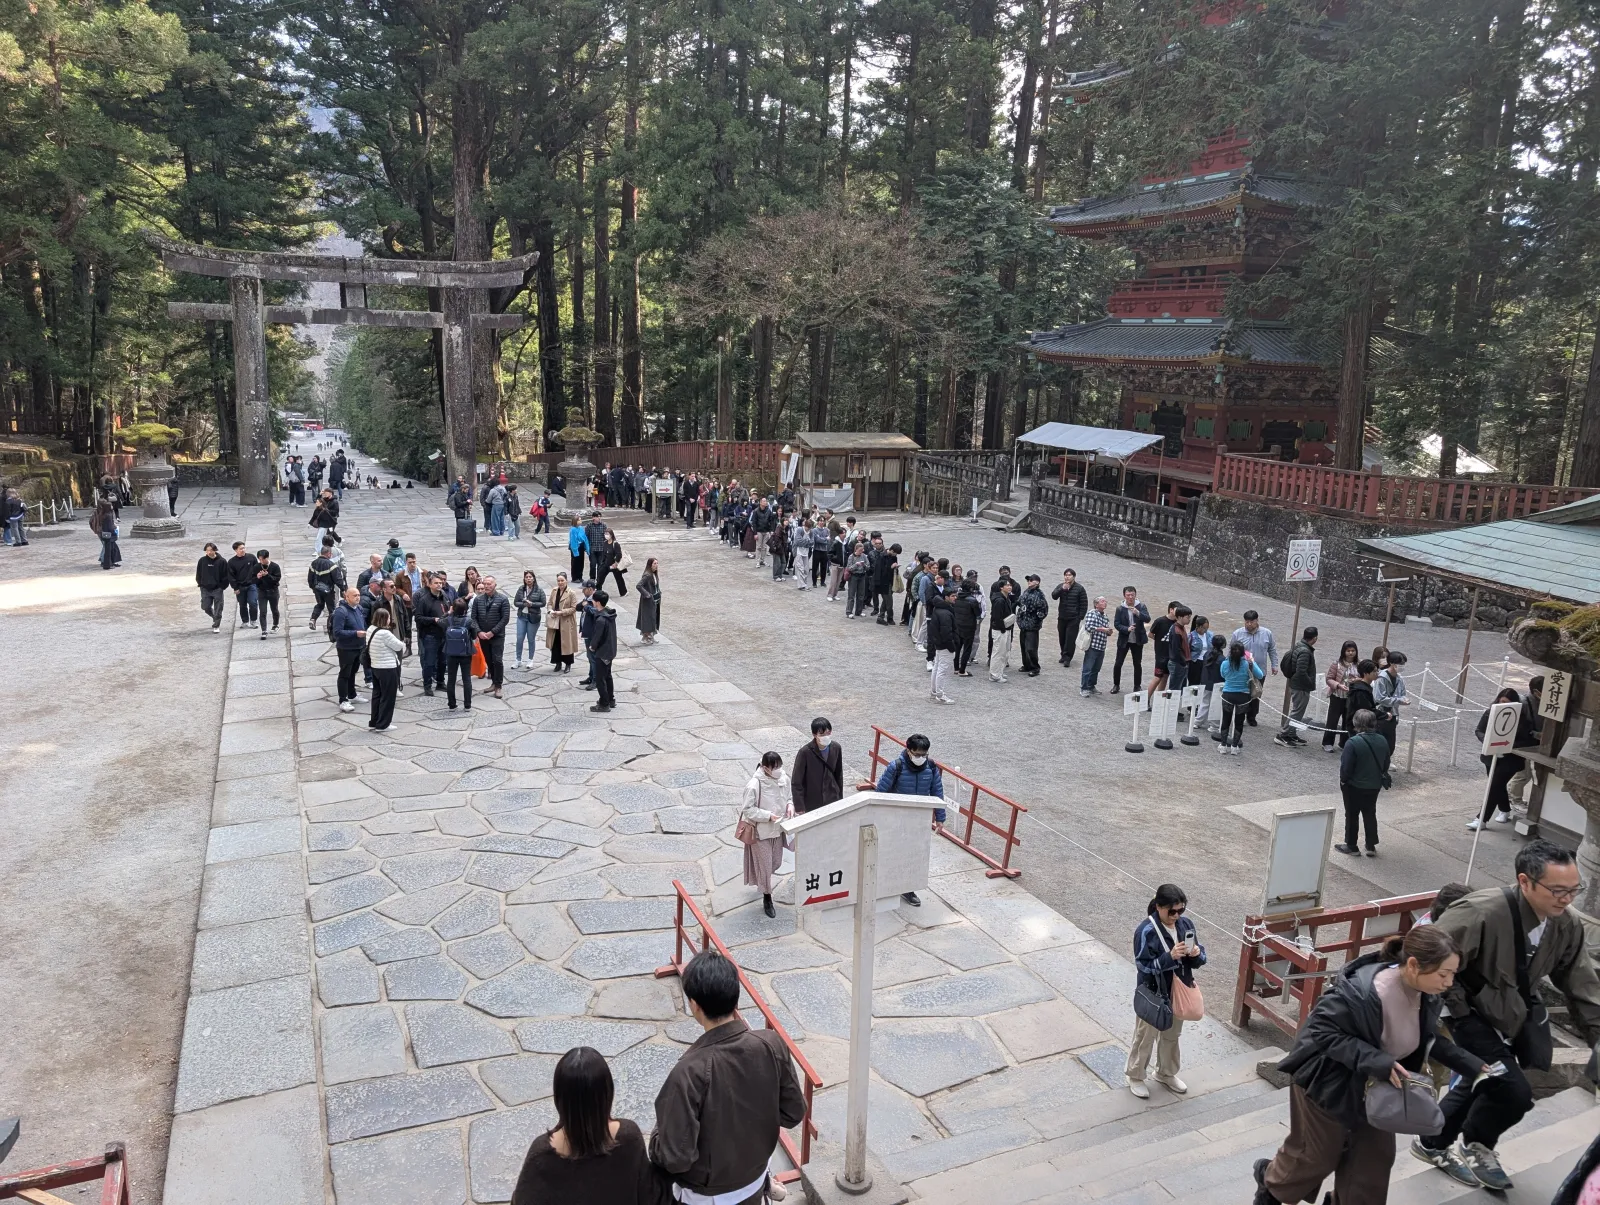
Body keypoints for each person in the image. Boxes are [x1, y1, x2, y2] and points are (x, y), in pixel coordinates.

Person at [1412, 841, 1600, 1190]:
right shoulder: (1480, 911)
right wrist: (1454, 1009)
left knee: (1480, 1079)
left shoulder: (1566, 925)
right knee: (1514, 1092)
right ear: (1525, 881)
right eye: (1558, 890)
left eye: (1574, 890)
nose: (1567, 899)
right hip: (1466, 1012)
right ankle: (1477, 1143)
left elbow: (1581, 986)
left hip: (1511, 1012)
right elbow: (1425, 959)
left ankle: (1431, 1143)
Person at [1253, 926, 1486, 1205]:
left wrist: (1473, 1065)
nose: (1449, 982)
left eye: (1453, 974)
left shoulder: (1426, 992)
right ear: (1414, 965)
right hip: (1330, 1083)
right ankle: (1270, 1185)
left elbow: (1424, 1037)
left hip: (1379, 1088)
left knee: (1373, 1165)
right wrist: (1378, 1061)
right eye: (1444, 974)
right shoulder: (1364, 992)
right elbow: (1322, 1030)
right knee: (1317, 1156)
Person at [650, 950, 805, 1205]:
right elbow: (793, 1113)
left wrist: (659, 1134)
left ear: (694, 1005)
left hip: (705, 1196)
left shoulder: (688, 1073)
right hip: (754, 1182)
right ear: (735, 997)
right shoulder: (771, 1044)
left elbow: (675, 1157)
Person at [510, 1046, 664, 1205]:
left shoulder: (541, 1154)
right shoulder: (629, 1137)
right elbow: (649, 1195)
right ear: (607, 1094)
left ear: (560, 1099)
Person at [1126, 884, 1205, 1100]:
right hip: (1153, 993)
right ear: (1159, 907)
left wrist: (1196, 953)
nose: (1176, 916)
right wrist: (1169, 957)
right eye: (1172, 911)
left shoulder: (1185, 924)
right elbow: (1143, 966)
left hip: (1178, 991)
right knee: (1145, 1036)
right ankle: (1135, 1075)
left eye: (1181, 910)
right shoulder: (1146, 931)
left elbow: (1200, 959)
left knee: (1172, 1035)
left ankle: (1165, 1073)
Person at [876, 734, 945, 906]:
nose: (920, 758)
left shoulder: (931, 767)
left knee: (913, 856)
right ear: (908, 750)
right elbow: (880, 793)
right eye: (917, 754)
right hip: (896, 820)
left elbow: (937, 791)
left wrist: (940, 817)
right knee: (891, 852)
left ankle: (908, 889)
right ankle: (884, 885)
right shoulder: (896, 767)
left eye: (924, 754)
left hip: (918, 821)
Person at [1470, 687, 1530, 830]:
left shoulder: (1522, 719)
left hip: (1510, 759)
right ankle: (1505, 809)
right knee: (1497, 785)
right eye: (1502, 701)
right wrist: (1488, 741)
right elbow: (1479, 730)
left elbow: (1526, 741)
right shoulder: (1490, 712)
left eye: (1507, 702)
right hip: (1491, 755)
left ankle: (1482, 819)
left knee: (1494, 786)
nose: (1504, 705)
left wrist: (1508, 745)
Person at [742, 752, 793, 919]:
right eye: (775, 767)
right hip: (761, 832)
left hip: (777, 829)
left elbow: (789, 797)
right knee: (765, 866)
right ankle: (767, 897)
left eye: (779, 766)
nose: (778, 769)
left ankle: (762, 881)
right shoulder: (754, 785)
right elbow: (748, 810)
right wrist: (768, 816)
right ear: (765, 768)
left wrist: (790, 805)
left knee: (776, 862)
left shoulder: (784, 779)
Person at [1334, 710, 1391, 857]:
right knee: (1370, 812)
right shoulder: (1382, 740)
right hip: (1374, 784)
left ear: (1356, 723)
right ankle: (1370, 845)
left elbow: (1346, 768)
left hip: (1354, 785)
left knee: (1352, 814)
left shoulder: (1353, 743)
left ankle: (1351, 845)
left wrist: (1343, 781)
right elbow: (1386, 763)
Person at [1217, 640, 1266, 754]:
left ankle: (1223, 745)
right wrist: (1252, 661)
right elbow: (1260, 675)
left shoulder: (1225, 663)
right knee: (1239, 722)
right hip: (1243, 696)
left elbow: (1223, 675)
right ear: (1244, 652)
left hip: (1228, 694)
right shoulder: (1248, 664)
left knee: (1226, 720)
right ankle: (1234, 747)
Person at [1232, 610, 1279, 725]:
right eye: (1246, 622)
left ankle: (1252, 716)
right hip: (1243, 670)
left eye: (1251, 622)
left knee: (1256, 693)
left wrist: (1274, 665)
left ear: (1257, 621)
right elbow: (1231, 651)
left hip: (1259, 670)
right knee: (1242, 693)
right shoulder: (1237, 634)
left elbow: (1272, 650)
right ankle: (1240, 716)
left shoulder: (1267, 633)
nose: (1249, 624)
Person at [1275, 626, 1319, 748]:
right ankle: (1283, 734)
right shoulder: (1305, 651)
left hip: (1298, 684)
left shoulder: (1299, 646)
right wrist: (1309, 682)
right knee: (1297, 711)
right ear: (1315, 638)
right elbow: (1301, 671)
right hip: (1300, 686)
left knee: (1298, 711)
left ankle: (1291, 733)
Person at [791, 718, 843, 815]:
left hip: (832, 798)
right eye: (822, 734)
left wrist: (840, 799)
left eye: (828, 733)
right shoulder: (805, 752)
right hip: (813, 801)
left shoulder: (836, 747)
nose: (826, 736)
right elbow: (796, 781)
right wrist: (799, 807)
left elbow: (838, 775)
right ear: (814, 735)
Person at [365, 608, 405, 731]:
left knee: (377, 695)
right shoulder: (385, 633)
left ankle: (375, 721)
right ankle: (383, 724)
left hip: (376, 666)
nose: (389, 620)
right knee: (388, 697)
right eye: (388, 618)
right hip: (387, 668)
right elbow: (398, 646)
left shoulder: (370, 629)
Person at [471, 575, 510, 699]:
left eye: (489, 584)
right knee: (489, 659)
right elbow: (473, 618)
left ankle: (498, 685)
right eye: (485, 584)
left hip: (497, 636)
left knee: (497, 660)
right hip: (483, 636)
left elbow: (505, 619)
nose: (487, 586)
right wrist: (479, 632)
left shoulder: (503, 599)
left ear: (495, 585)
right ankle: (493, 681)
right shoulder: (478, 599)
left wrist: (493, 632)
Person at [331, 587, 368, 712]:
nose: (358, 597)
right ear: (347, 597)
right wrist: (355, 633)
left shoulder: (359, 608)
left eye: (358, 595)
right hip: (346, 648)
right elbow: (337, 632)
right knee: (345, 674)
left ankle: (352, 694)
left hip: (359, 647)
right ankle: (343, 700)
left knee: (353, 672)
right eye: (354, 595)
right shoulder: (341, 612)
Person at [414, 572, 449, 696]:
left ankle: (440, 682)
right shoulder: (424, 600)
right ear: (430, 584)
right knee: (429, 662)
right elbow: (418, 618)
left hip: (443, 634)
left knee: (443, 661)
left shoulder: (444, 596)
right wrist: (433, 620)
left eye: (440, 583)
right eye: (436, 583)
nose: (439, 585)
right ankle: (427, 685)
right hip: (430, 636)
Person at [925, 583, 960, 704]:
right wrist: (952, 647)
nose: (955, 598)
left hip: (939, 644)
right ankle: (940, 694)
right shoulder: (946, 613)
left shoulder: (939, 609)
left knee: (937, 668)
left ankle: (934, 692)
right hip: (945, 646)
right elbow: (946, 632)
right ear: (946, 597)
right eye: (953, 596)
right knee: (942, 670)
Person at [1323, 640, 1360, 752]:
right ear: (1344, 651)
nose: (1350, 653)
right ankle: (1327, 742)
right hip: (1337, 695)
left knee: (1348, 721)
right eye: (1348, 651)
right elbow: (1329, 679)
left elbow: (1364, 677)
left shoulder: (1359, 664)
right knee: (1332, 720)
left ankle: (1344, 743)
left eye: (1353, 650)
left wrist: (1357, 680)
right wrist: (1338, 685)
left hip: (1351, 696)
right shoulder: (1336, 664)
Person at [1111, 587, 1150, 693]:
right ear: (1124, 596)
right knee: (1118, 663)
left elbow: (1147, 619)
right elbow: (1117, 624)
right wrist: (1126, 629)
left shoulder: (1141, 606)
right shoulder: (1120, 608)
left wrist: (1138, 613)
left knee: (1137, 663)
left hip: (1137, 639)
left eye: (1132, 595)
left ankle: (1137, 686)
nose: (1130, 597)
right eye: (1128, 595)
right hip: (1124, 639)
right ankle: (1116, 685)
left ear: (1135, 595)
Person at [1374, 651, 1411, 752]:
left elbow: (1402, 693)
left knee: (1390, 743)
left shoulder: (1399, 678)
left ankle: (1386, 758)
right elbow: (1379, 698)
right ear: (1391, 663)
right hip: (1380, 713)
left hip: (1393, 713)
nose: (1402, 666)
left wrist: (1404, 699)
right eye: (1400, 664)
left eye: (1403, 664)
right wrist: (1398, 700)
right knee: (1379, 741)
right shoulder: (1381, 678)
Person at [443, 597, 475, 710]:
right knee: (467, 679)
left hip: (451, 653)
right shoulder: (469, 621)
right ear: (465, 610)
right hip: (465, 653)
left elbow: (440, 622)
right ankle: (467, 705)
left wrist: (448, 613)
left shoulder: (448, 620)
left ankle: (452, 705)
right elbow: (474, 635)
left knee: (451, 679)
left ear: (453, 609)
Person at [307, 538, 345, 634]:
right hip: (328, 591)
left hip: (317, 589)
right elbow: (338, 579)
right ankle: (330, 627)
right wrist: (343, 589)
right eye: (330, 553)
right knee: (331, 609)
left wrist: (313, 587)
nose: (331, 555)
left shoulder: (314, 563)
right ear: (328, 554)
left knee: (320, 605)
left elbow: (310, 577)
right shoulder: (331, 565)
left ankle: (313, 619)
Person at [1052, 568, 1088, 667]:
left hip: (1073, 618)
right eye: (1066, 575)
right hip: (1062, 617)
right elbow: (1054, 596)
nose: (1067, 577)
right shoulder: (1061, 586)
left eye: (1069, 575)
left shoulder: (1079, 588)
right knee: (1062, 637)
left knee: (1070, 639)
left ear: (1074, 577)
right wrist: (1062, 589)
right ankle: (1063, 654)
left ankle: (1068, 657)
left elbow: (1084, 603)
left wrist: (1080, 617)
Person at [1015, 575, 1049, 676]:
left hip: (1032, 626)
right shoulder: (1026, 592)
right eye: (1028, 580)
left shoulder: (1040, 595)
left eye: (1031, 580)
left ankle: (1035, 667)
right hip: (1023, 624)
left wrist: (1036, 619)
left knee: (1031, 648)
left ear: (1037, 582)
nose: (1029, 582)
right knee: (1023, 647)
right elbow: (1020, 602)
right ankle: (1026, 665)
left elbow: (1044, 610)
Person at [590, 589, 618, 712]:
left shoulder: (601, 619)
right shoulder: (609, 614)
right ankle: (610, 699)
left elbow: (597, 637)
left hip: (603, 652)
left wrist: (592, 646)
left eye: (593, 600)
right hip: (610, 650)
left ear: (597, 602)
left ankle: (604, 703)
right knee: (608, 676)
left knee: (600, 679)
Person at [1077, 596, 1111, 696]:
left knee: (1096, 669)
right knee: (1087, 668)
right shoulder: (1092, 613)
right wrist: (1102, 629)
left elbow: (1105, 630)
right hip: (1093, 646)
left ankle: (1091, 686)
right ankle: (1084, 688)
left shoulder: (1105, 616)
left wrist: (1108, 632)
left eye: (1105, 601)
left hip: (1101, 646)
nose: (1105, 603)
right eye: (1102, 601)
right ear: (1096, 604)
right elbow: (1089, 627)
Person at [546, 572, 579, 673]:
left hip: (566, 622)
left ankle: (568, 664)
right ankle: (558, 663)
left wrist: (561, 612)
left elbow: (574, 608)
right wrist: (550, 610)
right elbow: (549, 603)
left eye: (562, 580)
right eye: (558, 581)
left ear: (566, 581)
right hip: (555, 620)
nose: (560, 582)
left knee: (567, 643)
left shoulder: (571, 593)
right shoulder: (554, 591)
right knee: (555, 642)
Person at [514, 571, 546, 670]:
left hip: (533, 617)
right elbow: (516, 602)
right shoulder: (521, 589)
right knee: (519, 638)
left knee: (531, 638)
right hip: (522, 616)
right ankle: (518, 659)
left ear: (534, 578)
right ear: (524, 579)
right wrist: (524, 604)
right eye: (526, 577)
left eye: (530, 577)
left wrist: (532, 604)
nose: (528, 579)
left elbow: (543, 603)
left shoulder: (539, 590)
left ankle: (530, 659)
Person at [196, 542, 229, 632]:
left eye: (211, 550)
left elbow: (226, 576)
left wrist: (222, 587)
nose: (209, 552)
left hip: (217, 589)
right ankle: (214, 616)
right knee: (205, 607)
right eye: (207, 550)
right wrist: (200, 584)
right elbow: (198, 573)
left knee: (218, 607)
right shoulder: (202, 560)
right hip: (205, 588)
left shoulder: (222, 561)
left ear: (215, 550)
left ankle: (216, 625)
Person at [988, 579, 1016, 683]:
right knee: (998, 653)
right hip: (1000, 630)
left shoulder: (1006, 598)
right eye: (1007, 585)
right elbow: (997, 617)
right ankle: (994, 675)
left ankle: (999, 671)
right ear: (1001, 587)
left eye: (1010, 585)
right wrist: (1003, 628)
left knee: (1005, 652)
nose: (1010, 587)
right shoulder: (999, 601)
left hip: (1005, 629)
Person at [226, 541, 259, 626]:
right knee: (242, 604)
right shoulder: (231, 562)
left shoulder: (251, 557)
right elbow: (231, 576)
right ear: (235, 550)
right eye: (240, 549)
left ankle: (253, 620)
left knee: (253, 602)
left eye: (244, 548)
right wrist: (235, 587)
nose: (243, 550)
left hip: (252, 584)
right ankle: (245, 621)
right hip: (240, 586)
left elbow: (257, 568)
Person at [254, 549, 282, 637]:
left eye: (263, 559)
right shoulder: (256, 567)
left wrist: (267, 576)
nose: (262, 561)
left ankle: (275, 624)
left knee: (274, 609)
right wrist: (257, 577)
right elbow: (252, 580)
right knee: (262, 611)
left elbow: (276, 580)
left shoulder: (275, 566)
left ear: (267, 557)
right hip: (262, 591)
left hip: (273, 591)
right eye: (260, 559)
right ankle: (264, 630)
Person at [91, 498, 121, 570]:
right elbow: (93, 521)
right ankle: (104, 561)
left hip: (102, 531)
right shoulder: (101, 513)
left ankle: (106, 561)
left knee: (107, 546)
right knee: (106, 546)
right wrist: (97, 528)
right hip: (103, 531)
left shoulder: (103, 512)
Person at [636, 558, 661, 644]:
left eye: (657, 563)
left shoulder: (654, 574)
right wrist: (647, 594)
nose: (656, 565)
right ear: (650, 565)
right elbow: (639, 586)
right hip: (648, 601)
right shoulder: (647, 575)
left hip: (655, 600)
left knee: (653, 617)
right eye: (654, 563)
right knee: (648, 618)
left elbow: (656, 585)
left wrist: (658, 592)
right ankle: (646, 637)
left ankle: (650, 636)